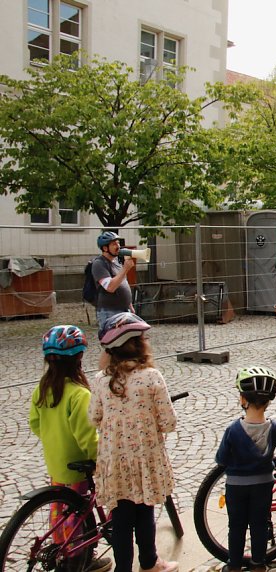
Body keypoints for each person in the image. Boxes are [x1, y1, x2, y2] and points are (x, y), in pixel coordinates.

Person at [87, 313, 177, 572]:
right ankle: (149, 561)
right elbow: (168, 422)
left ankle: (123, 567)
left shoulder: (100, 380)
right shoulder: (152, 377)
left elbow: (94, 417)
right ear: (140, 344)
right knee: (144, 511)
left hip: (114, 461)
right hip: (144, 459)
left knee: (122, 516)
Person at [30, 325, 111, 572]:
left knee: (60, 507)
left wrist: (53, 437)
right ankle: (79, 557)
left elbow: (34, 423)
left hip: (55, 461)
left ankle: (59, 543)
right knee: (78, 512)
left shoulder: (42, 389)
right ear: (79, 358)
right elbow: (87, 437)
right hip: (77, 464)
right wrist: (101, 458)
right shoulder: (78, 394)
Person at [216, 367, 276, 572]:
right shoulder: (275, 428)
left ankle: (233, 565)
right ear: (268, 402)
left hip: (236, 486)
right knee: (259, 524)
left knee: (236, 526)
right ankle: (258, 564)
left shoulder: (232, 430)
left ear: (243, 399)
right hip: (263, 484)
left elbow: (221, 459)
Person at [92, 231, 134, 329]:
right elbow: (110, 287)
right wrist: (125, 269)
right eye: (114, 244)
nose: (118, 246)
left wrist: (129, 304)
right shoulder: (99, 264)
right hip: (109, 312)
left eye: (118, 243)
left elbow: (123, 282)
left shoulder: (117, 263)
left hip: (124, 310)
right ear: (105, 248)